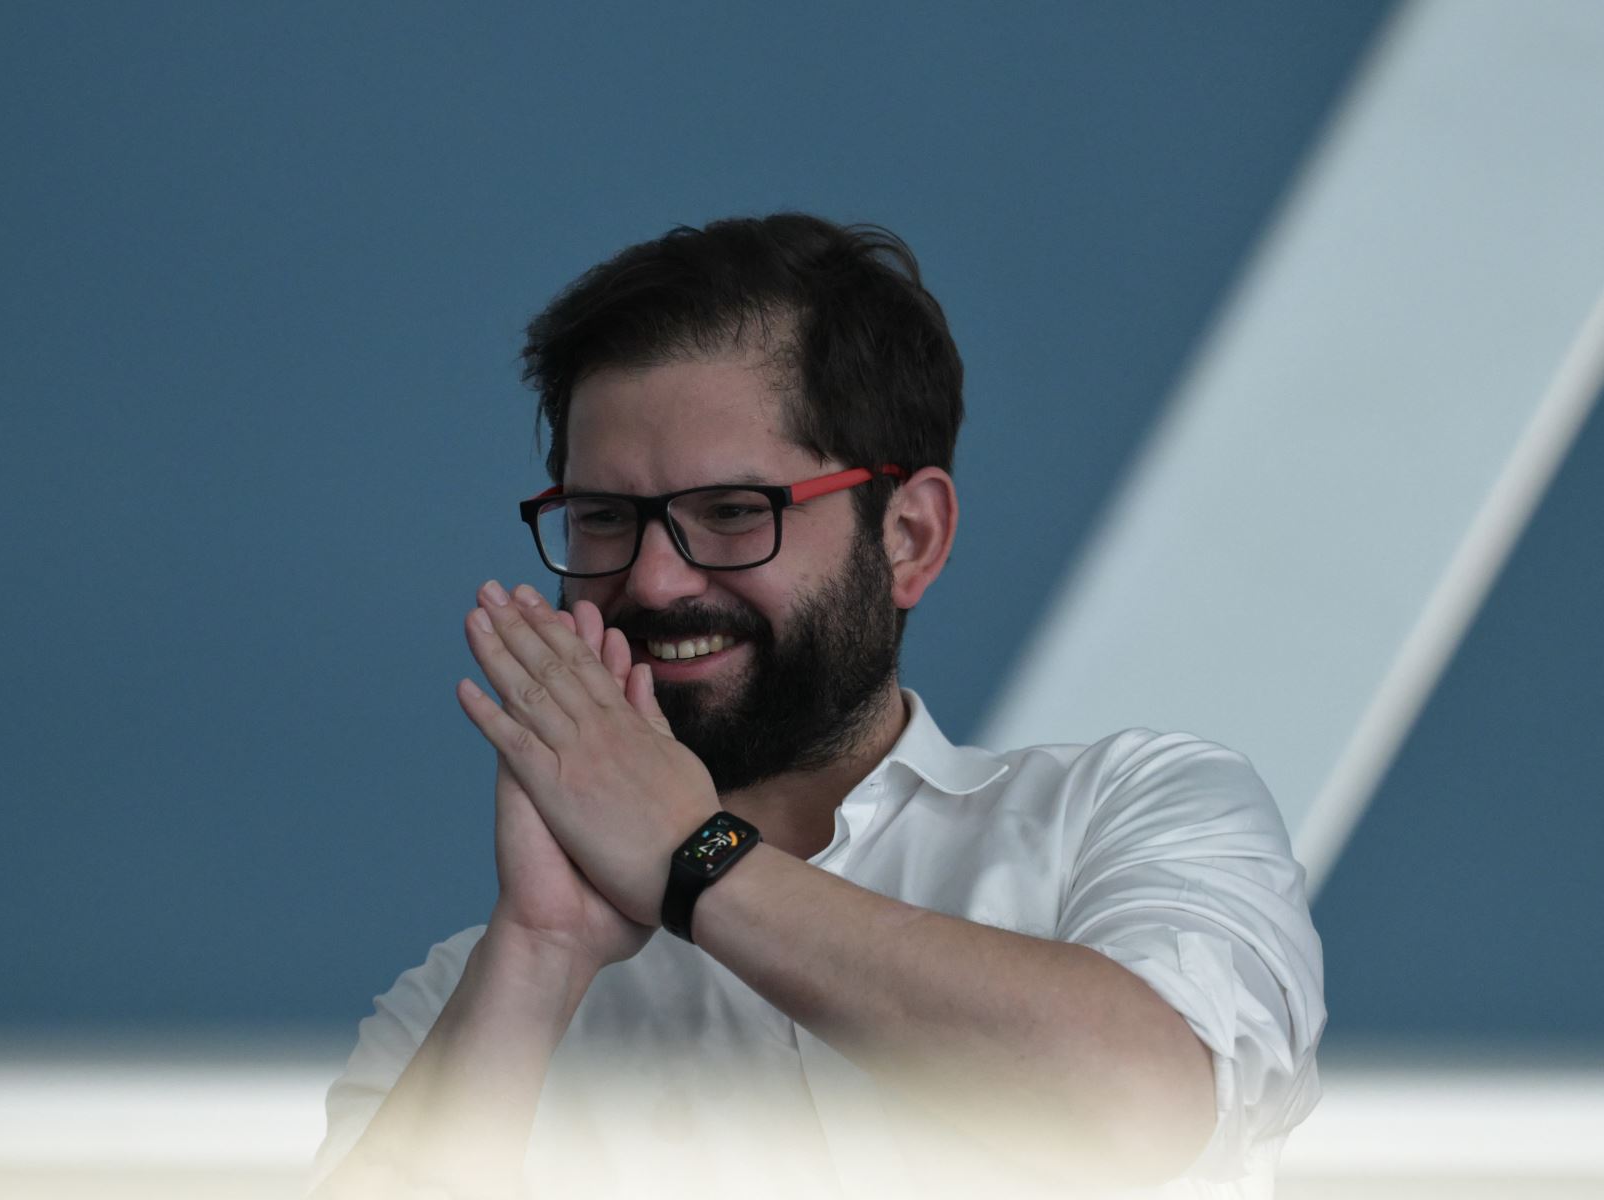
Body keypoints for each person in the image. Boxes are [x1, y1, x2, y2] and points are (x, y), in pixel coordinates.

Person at [308, 214, 1324, 1200]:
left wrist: (691, 856)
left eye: (734, 513)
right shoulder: (467, 996)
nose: (655, 581)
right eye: (607, 520)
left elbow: (1141, 1108)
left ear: (911, 538)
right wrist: (537, 952)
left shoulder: (1133, 810)